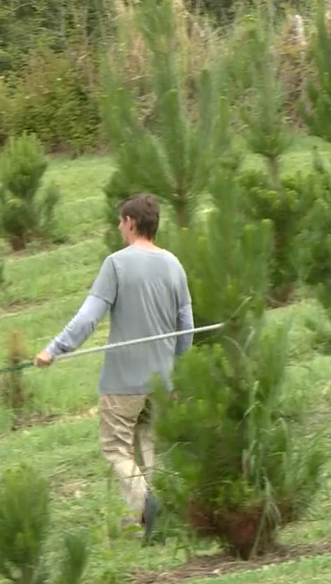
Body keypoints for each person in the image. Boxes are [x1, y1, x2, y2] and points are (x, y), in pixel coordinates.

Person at [33, 193, 194, 540]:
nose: (119, 227)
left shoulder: (116, 264)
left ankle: (147, 504)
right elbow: (186, 324)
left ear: (131, 223)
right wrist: (177, 369)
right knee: (148, 446)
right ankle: (142, 523)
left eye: (120, 221)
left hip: (122, 382)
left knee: (117, 450)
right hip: (162, 383)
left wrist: (54, 349)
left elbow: (88, 317)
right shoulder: (174, 264)